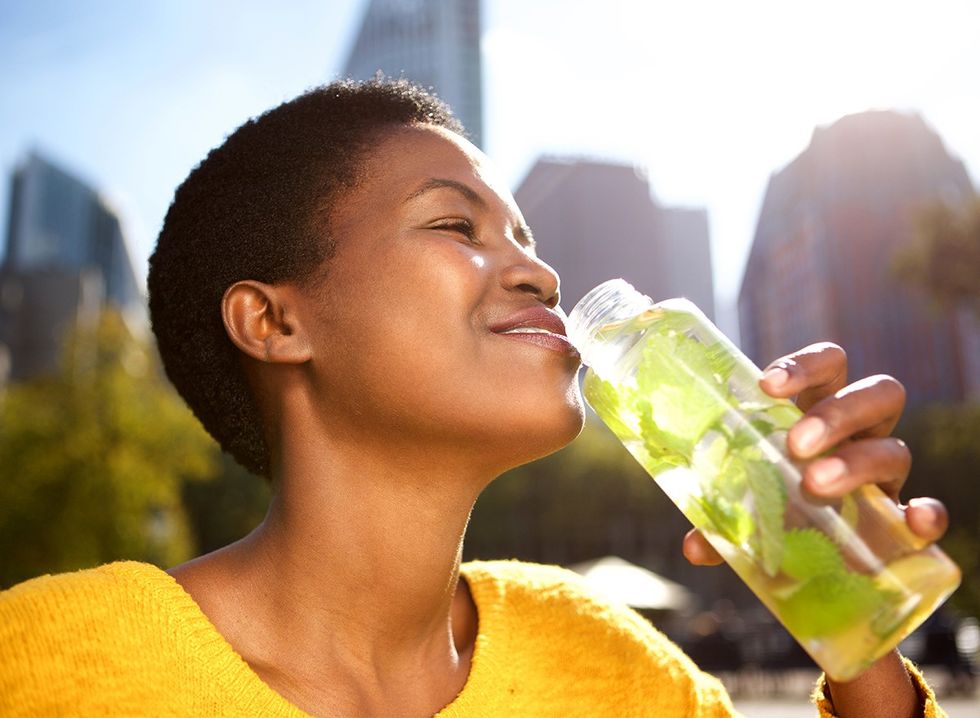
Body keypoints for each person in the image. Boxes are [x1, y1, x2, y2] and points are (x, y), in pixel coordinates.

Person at [0, 80, 950, 718]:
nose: (537, 270)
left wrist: (848, 622)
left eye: (528, 236)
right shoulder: (44, 665)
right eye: (456, 223)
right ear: (274, 323)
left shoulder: (611, 667)